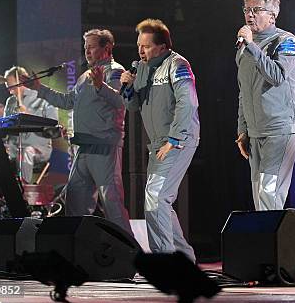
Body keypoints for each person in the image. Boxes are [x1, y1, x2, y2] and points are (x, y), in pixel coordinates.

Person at [22, 29, 132, 233]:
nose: (87, 51)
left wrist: (100, 86)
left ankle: (131, 255)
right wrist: (39, 88)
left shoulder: (115, 71)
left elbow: (121, 101)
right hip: (83, 148)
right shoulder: (84, 76)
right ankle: (81, 253)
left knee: (112, 205)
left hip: (104, 148)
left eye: (91, 47)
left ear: (106, 48)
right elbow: (67, 101)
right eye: (85, 47)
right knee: (74, 202)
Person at [121, 18, 199, 261]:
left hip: (178, 139)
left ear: (162, 46)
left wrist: (174, 139)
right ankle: (184, 258)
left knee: (156, 198)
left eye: (145, 46)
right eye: (138, 46)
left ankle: (165, 262)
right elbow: (133, 106)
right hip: (157, 144)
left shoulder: (178, 64)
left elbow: (189, 102)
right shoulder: (141, 68)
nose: (140, 51)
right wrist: (128, 88)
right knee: (159, 201)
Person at [235, 0, 295, 211]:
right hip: (255, 132)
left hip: (279, 129)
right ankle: (268, 244)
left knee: (268, 192)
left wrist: (252, 46)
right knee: (260, 196)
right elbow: (243, 91)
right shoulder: (244, 48)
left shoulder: (285, 40)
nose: (250, 15)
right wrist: (242, 129)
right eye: (247, 10)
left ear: (272, 16)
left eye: (256, 10)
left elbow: (276, 75)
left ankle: (276, 245)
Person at [3, 66, 58, 184]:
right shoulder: (10, 101)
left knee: (26, 152)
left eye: (11, 86)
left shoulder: (43, 98)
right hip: (14, 147)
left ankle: (23, 191)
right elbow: (5, 127)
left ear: (22, 81)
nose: (9, 90)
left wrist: (27, 116)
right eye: (7, 86)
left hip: (38, 148)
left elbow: (53, 128)